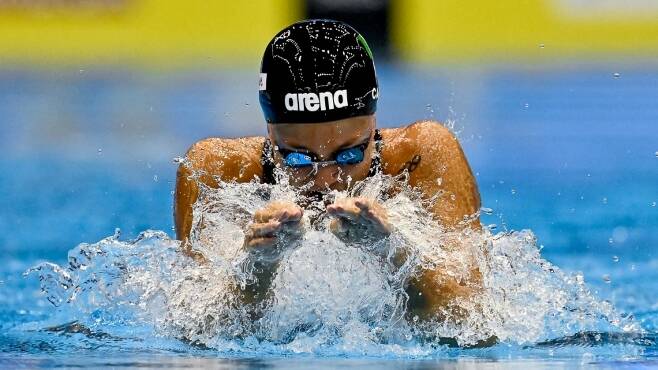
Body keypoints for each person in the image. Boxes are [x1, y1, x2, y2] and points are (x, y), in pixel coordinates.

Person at [174, 19, 482, 321]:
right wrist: (259, 265)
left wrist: (394, 252)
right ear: (270, 133)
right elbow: (201, 329)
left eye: (348, 155)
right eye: (298, 160)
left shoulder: (420, 158)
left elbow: (471, 321)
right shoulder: (216, 171)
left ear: (373, 125)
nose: (325, 181)